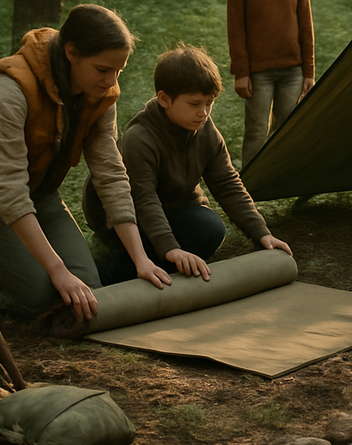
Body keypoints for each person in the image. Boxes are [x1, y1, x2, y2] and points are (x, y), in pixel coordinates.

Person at [0, 4, 171, 321]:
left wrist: (140, 259)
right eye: (102, 69)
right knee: (43, 296)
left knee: (89, 291)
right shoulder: (8, 90)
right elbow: (9, 190)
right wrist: (56, 270)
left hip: (40, 194)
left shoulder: (100, 93)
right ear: (71, 52)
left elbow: (110, 174)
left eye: (119, 71)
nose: (111, 80)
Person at [84, 44, 291, 285]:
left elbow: (227, 182)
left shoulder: (205, 129)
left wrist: (261, 233)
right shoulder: (140, 137)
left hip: (172, 205)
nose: (203, 113)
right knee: (148, 251)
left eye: (209, 103)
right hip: (122, 215)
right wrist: (171, 248)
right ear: (164, 99)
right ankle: (116, 265)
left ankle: (157, 261)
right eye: (194, 104)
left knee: (210, 227)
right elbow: (143, 198)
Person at [227, 0, 315, 168]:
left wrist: (309, 71)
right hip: (258, 73)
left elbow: (306, 26)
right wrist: (241, 72)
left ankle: (285, 179)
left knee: (289, 128)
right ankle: (250, 187)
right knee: (256, 130)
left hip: (293, 70)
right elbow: (236, 29)